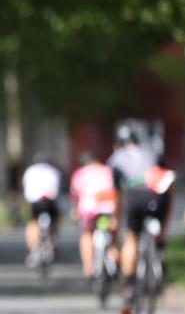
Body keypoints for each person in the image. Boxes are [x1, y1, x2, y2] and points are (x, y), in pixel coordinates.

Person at [107, 125, 175, 303]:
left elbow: (117, 194)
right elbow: (168, 182)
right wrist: (166, 222)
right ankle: (160, 254)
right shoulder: (152, 153)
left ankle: (130, 286)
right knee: (159, 230)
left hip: (134, 194)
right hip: (157, 193)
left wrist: (116, 218)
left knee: (131, 238)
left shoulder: (116, 158)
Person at [70, 152, 118, 280]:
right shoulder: (107, 171)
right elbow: (115, 191)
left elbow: (75, 195)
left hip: (88, 210)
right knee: (111, 231)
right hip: (106, 210)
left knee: (87, 235)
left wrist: (75, 211)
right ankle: (114, 254)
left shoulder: (80, 174)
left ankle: (88, 268)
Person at [21, 154, 61, 267]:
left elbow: (25, 188)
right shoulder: (53, 171)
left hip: (35, 203)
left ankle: (33, 248)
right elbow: (57, 188)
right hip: (50, 202)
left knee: (32, 223)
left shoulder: (30, 171)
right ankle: (54, 240)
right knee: (55, 220)